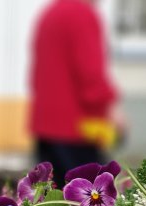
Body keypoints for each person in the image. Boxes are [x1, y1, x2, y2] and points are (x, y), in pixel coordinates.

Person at [30, 0, 122, 187]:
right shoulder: (82, 14)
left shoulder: (51, 12)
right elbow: (90, 73)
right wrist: (111, 109)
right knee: (88, 198)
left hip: (46, 127)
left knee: (52, 198)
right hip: (76, 129)